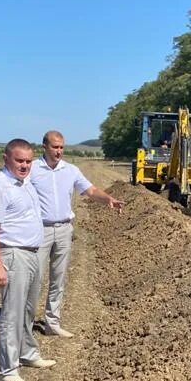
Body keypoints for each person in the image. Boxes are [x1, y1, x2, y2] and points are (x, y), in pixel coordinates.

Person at [28, 130, 124, 337]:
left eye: (62, 147)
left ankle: (52, 323)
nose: (59, 151)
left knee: (59, 278)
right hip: (39, 230)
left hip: (64, 229)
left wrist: (108, 199)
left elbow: (90, 190)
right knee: (34, 278)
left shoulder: (70, 170)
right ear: (44, 147)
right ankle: (25, 323)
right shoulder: (32, 169)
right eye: (55, 147)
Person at [0, 138, 56, 381]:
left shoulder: (24, 183)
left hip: (32, 254)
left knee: (27, 310)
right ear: (6, 159)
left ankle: (27, 353)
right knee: (12, 313)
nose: (24, 165)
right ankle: (7, 370)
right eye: (19, 160)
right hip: (13, 254)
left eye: (27, 161)